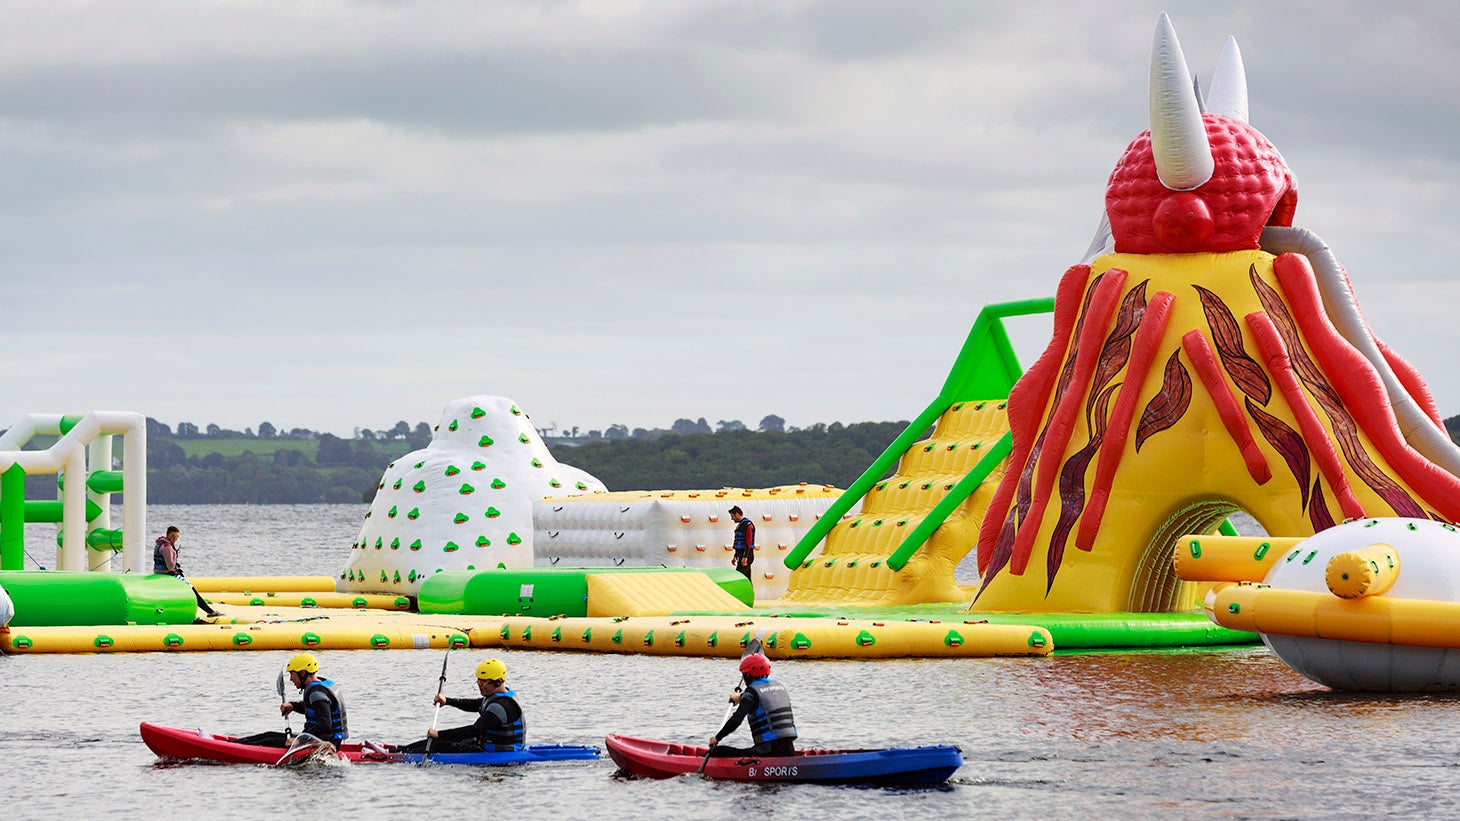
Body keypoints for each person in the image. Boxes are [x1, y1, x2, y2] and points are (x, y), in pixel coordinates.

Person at [398, 657, 526, 754]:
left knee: (438, 744)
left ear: (498, 682)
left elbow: (474, 730)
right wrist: (447, 701)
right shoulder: (497, 696)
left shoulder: (502, 705)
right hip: (485, 745)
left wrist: (439, 734)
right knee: (438, 741)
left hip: (500, 753)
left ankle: (396, 756)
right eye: (478, 681)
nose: (479, 685)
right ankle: (399, 749)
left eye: (483, 683)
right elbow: (476, 704)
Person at [235, 653, 349, 750]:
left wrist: (299, 740)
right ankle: (234, 743)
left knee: (268, 741)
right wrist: (293, 706)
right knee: (267, 735)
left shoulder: (316, 692)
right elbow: (316, 709)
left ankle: (234, 748)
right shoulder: (322, 685)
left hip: (325, 744)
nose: (290, 679)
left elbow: (325, 724)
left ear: (302, 673)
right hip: (323, 739)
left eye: (292, 674)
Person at [707, 652, 797, 758]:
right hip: (789, 750)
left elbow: (736, 720)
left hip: (767, 752)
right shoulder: (779, 687)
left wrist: (717, 738)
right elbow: (762, 698)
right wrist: (741, 697)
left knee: (717, 751)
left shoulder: (751, 692)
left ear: (748, 675)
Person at [153, 526, 221, 618]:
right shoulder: (167, 547)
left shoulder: (159, 543)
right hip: (168, 574)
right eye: (172, 536)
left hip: (158, 573)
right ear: (167, 535)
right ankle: (210, 612)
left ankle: (209, 611)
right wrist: (175, 556)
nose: (174, 539)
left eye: (177, 537)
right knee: (192, 590)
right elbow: (170, 567)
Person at [729, 505, 755, 581]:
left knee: (738, 577)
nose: (731, 518)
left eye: (732, 516)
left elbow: (748, 541)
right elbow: (739, 544)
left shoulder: (747, 524)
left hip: (747, 555)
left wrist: (745, 557)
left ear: (737, 514)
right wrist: (735, 556)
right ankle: (750, 592)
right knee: (747, 578)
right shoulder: (741, 525)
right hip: (742, 555)